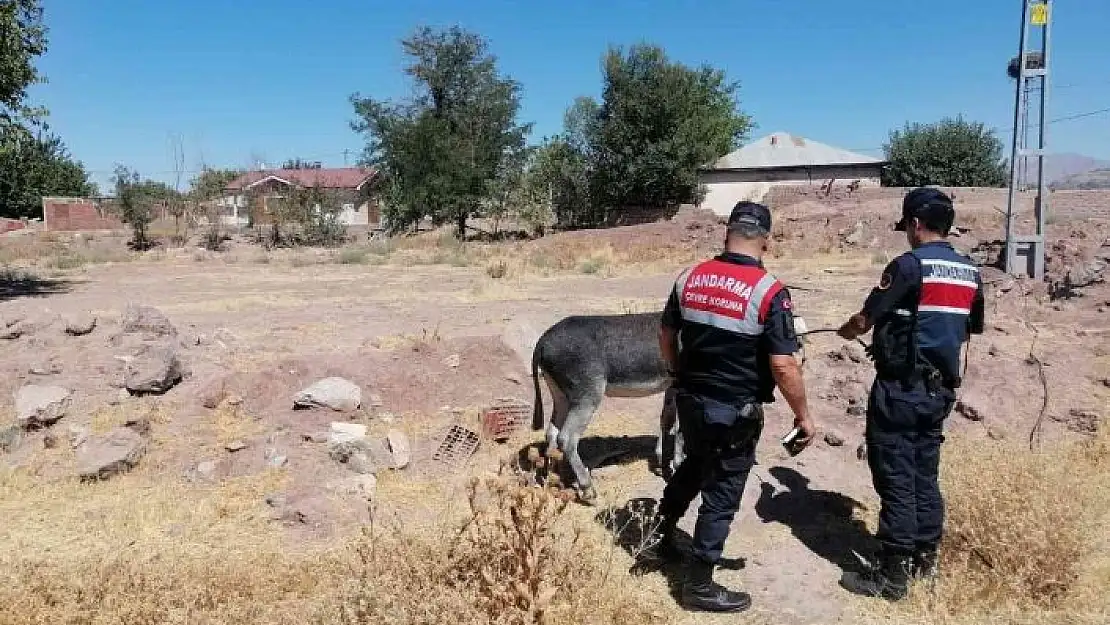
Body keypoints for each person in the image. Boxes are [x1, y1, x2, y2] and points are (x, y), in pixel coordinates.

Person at [651, 200, 817, 613]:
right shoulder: (770, 292)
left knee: (693, 465)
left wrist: (676, 373)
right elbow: (782, 364)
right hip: (732, 411)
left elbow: (665, 334)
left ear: (727, 232)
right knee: (722, 492)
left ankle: (659, 534)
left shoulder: (689, 277)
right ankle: (700, 584)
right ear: (766, 240)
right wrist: (803, 415)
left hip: (690, 400)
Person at [837, 187, 985, 600]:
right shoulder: (969, 271)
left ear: (916, 225)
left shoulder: (907, 266)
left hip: (900, 390)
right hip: (940, 393)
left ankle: (893, 575)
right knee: (924, 475)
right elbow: (969, 326)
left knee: (896, 476)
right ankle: (925, 561)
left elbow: (866, 318)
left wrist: (848, 330)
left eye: (907, 226)